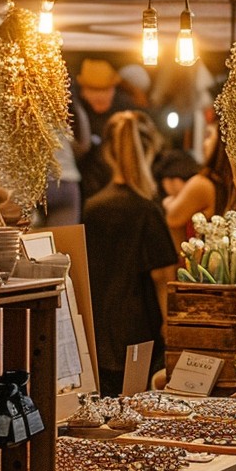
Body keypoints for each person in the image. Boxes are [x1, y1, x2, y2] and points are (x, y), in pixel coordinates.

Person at [83, 111, 178, 397]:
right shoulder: (147, 209)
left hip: (98, 330)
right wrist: (170, 325)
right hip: (140, 333)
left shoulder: (92, 207)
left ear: (108, 152)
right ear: (149, 150)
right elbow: (162, 276)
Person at [72, 58, 135, 209]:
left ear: (114, 89)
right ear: (83, 90)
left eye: (105, 89)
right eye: (94, 90)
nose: (100, 96)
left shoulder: (125, 110)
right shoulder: (73, 113)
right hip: (84, 189)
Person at [162, 138, 236, 250]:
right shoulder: (227, 184)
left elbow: (172, 217)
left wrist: (168, 201)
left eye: (209, 135)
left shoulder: (203, 184)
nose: (204, 142)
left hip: (201, 263)